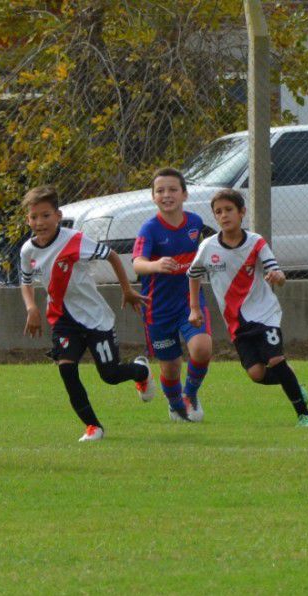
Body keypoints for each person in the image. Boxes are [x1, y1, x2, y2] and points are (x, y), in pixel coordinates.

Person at [19, 186, 153, 442]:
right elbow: (25, 280)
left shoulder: (74, 240)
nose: (40, 222)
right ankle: (93, 426)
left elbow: (112, 256)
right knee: (67, 370)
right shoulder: (28, 250)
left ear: (58, 216)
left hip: (95, 318)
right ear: (28, 220)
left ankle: (141, 371)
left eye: (45, 215)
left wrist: (126, 290)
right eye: (34, 217)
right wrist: (31, 307)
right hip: (62, 320)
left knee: (110, 376)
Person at [188, 189, 308, 427]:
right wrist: (194, 308)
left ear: (242, 212)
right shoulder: (208, 247)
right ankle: (294, 384)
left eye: (229, 210)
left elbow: (276, 271)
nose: (224, 215)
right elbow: (193, 274)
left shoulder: (256, 242)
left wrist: (277, 276)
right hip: (235, 321)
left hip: (265, 314)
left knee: (275, 359)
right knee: (256, 374)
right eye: (218, 212)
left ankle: (304, 415)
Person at [132, 167, 213, 422]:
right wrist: (155, 265)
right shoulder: (150, 229)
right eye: (160, 190)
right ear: (153, 197)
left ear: (184, 195)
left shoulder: (196, 223)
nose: (167, 195)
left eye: (173, 189)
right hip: (158, 308)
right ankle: (175, 404)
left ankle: (189, 395)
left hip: (190, 302)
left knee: (201, 348)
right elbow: (137, 263)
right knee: (170, 367)